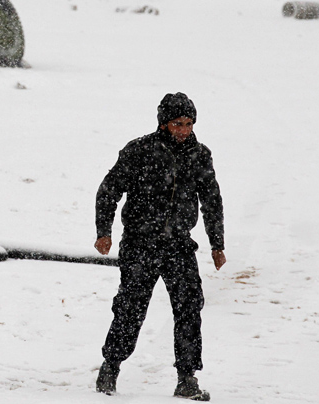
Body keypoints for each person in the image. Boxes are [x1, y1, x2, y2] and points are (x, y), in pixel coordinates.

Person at [94, 93, 225, 401]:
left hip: (179, 246)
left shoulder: (199, 156)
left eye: (189, 124)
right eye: (178, 124)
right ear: (164, 124)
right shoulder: (139, 151)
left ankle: (187, 377)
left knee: (190, 308)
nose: (184, 130)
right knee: (130, 308)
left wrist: (217, 244)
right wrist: (104, 232)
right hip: (141, 244)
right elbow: (108, 190)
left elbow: (212, 201)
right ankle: (110, 368)